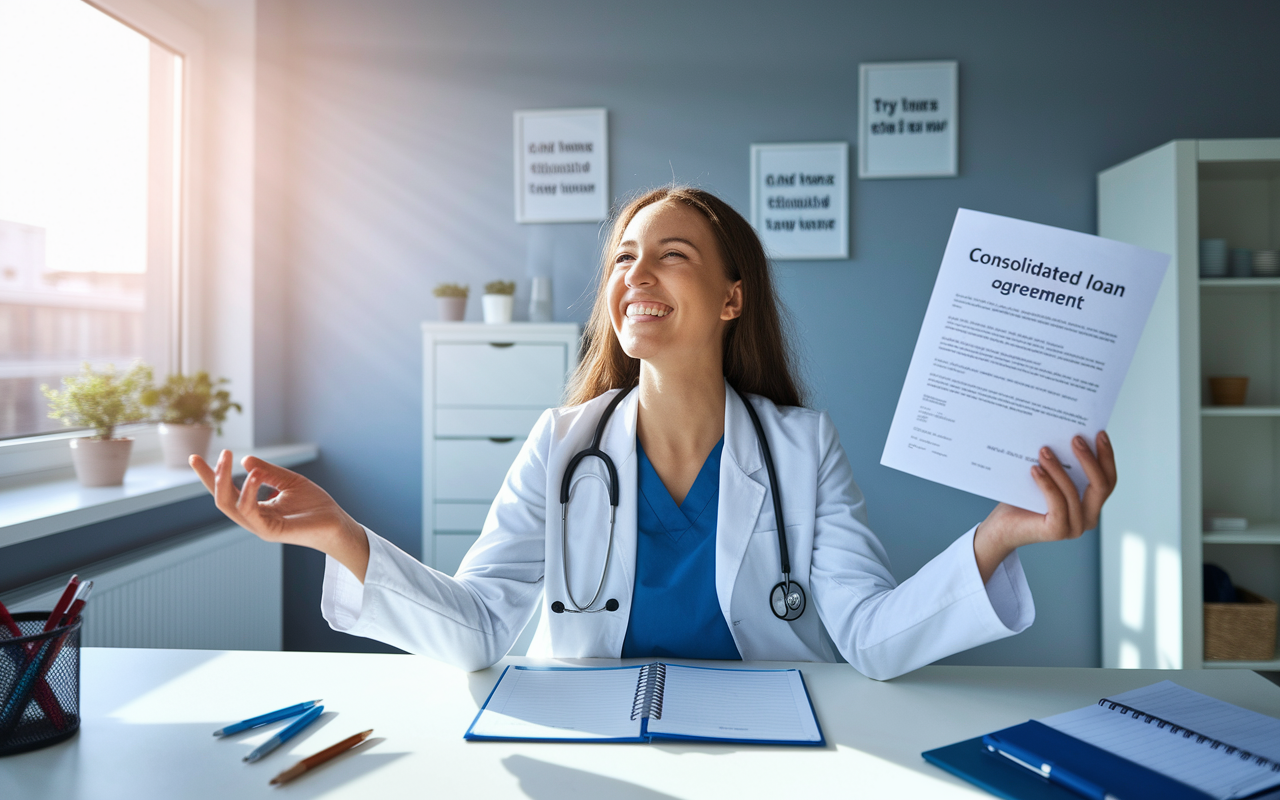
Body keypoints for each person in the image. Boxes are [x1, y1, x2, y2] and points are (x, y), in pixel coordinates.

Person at [192, 187, 1116, 679]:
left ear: (729, 298)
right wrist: (337, 537)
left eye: (672, 254)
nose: (637, 272)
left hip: (775, 756)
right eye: (624, 257)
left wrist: (999, 536)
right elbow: (477, 631)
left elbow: (870, 638)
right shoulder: (563, 444)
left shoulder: (801, 447)